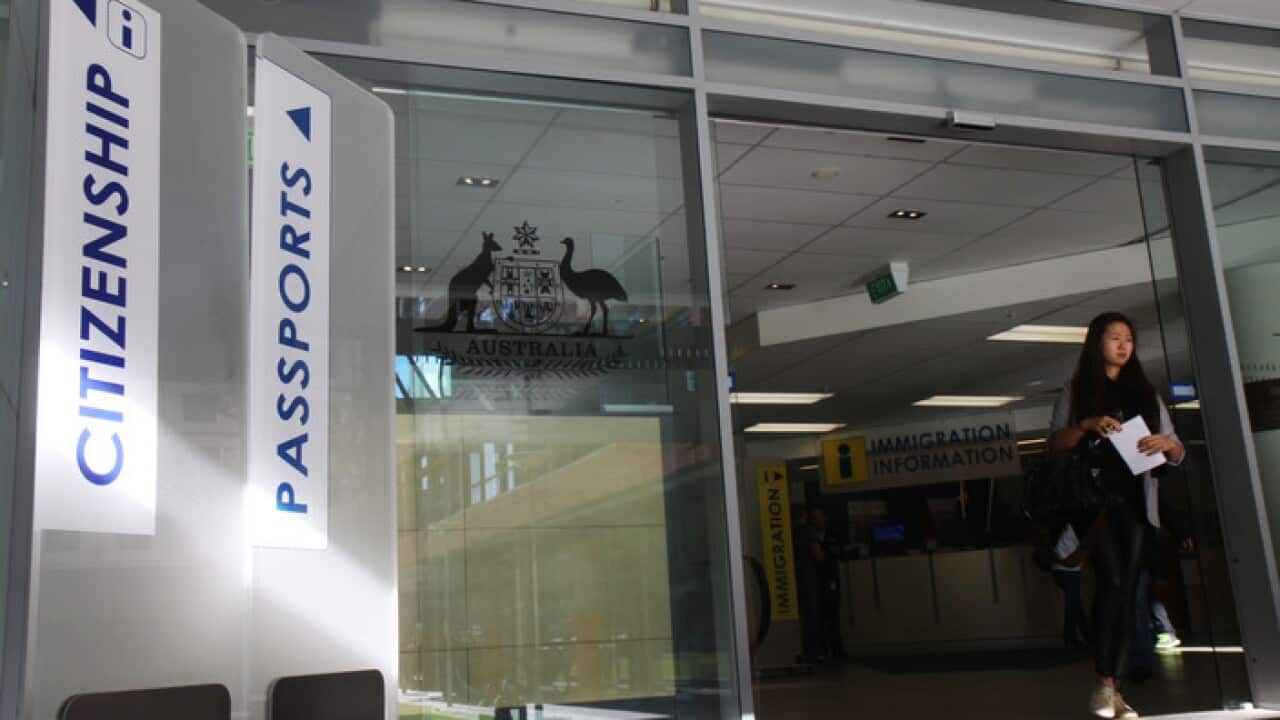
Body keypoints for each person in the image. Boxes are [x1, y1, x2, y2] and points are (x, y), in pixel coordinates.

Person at [1048, 312, 1185, 719]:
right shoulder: (1076, 391)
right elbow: (1056, 442)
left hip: (1139, 505)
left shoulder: (1145, 391)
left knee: (1127, 593)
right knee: (1114, 582)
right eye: (1114, 338)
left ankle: (1111, 686)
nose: (1123, 345)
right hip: (1096, 506)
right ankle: (1106, 685)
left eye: (1128, 338)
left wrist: (1167, 444)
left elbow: (1177, 449)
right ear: (1097, 344)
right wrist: (1088, 425)